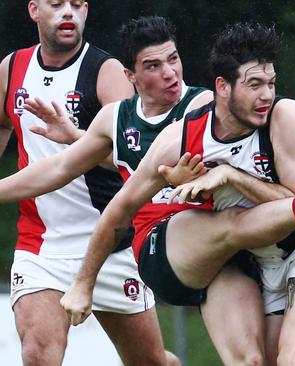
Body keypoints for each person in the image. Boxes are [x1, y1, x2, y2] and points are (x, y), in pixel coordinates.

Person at [160, 23, 295, 365]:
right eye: (255, 84)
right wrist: (173, 182)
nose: (267, 95)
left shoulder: (287, 116)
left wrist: (232, 177)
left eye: (271, 83)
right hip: (268, 260)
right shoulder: (190, 132)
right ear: (222, 88)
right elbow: (138, 183)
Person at [0, 2, 178, 365]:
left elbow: (135, 163)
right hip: (41, 246)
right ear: (34, 10)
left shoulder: (106, 70)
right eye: (57, 4)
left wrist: (75, 139)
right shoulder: (11, 68)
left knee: (150, 362)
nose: (69, 12)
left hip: (109, 244)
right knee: (37, 354)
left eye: (77, 4)